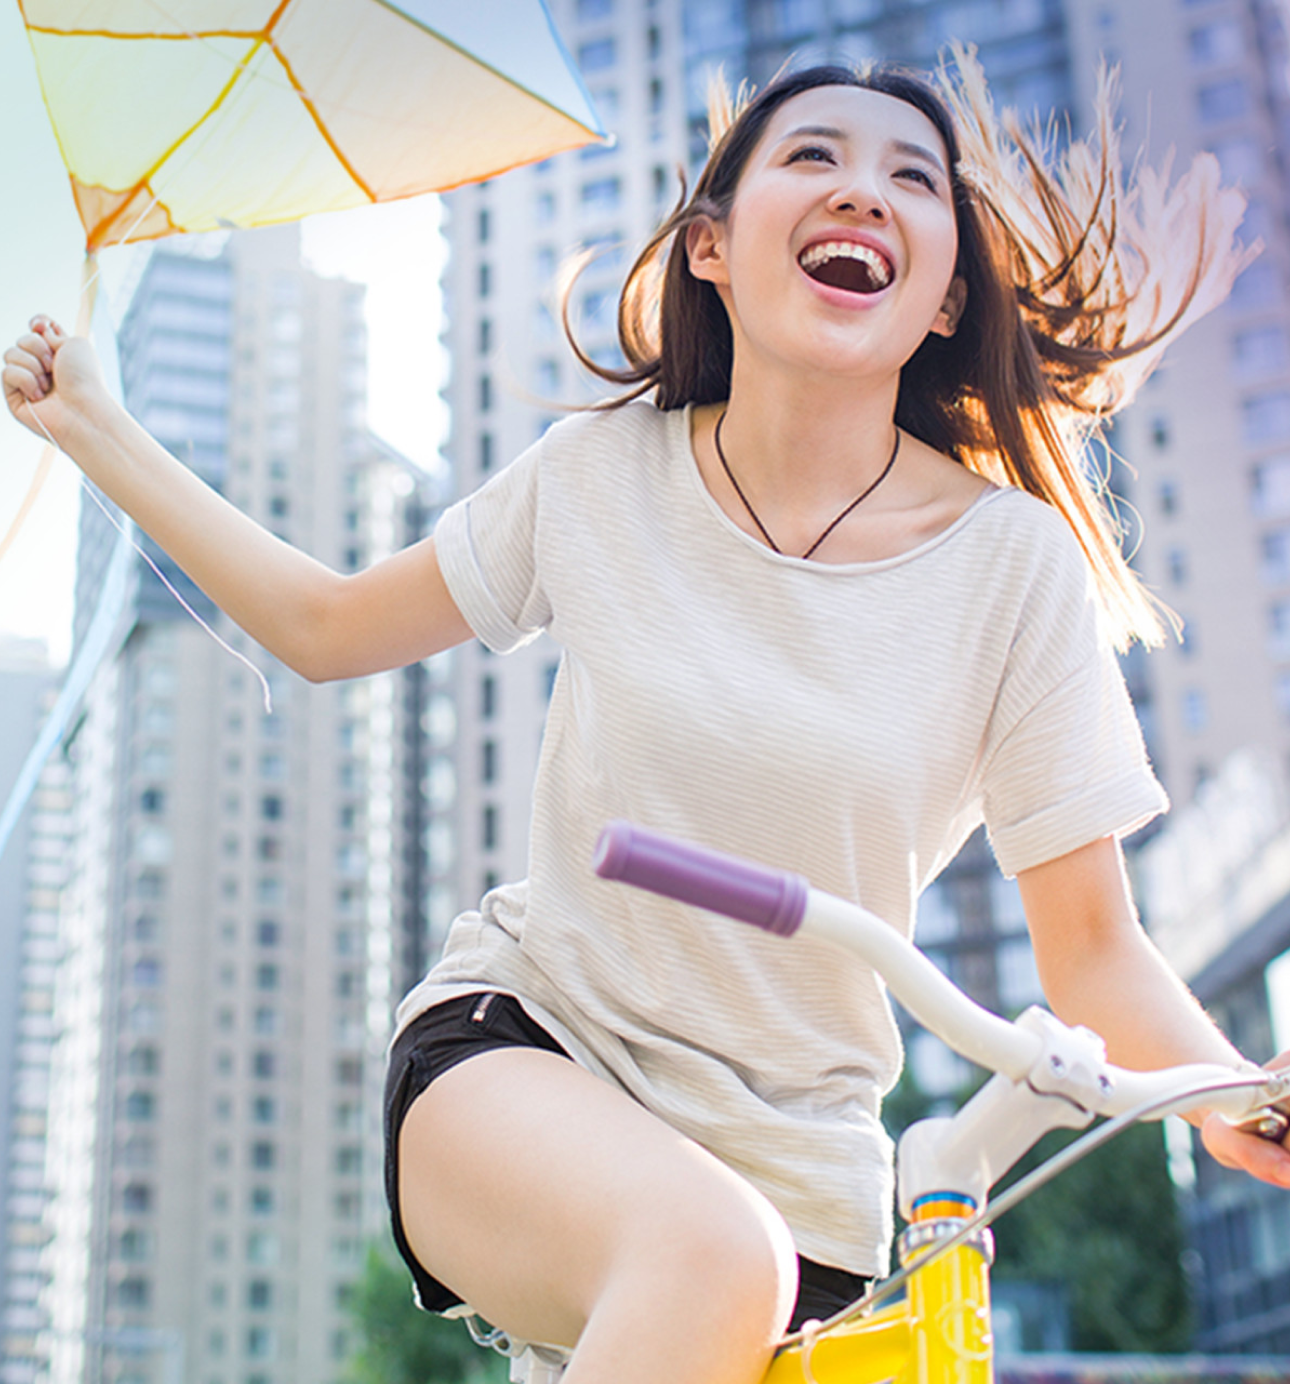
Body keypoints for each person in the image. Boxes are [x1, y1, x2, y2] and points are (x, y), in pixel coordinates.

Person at [6, 55, 1289, 1384]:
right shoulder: (597, 479)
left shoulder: (1011, 568)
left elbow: (1091, 953)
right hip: (525, 1057)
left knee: (731, 1259)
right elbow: (328, 629)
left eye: (911, 178)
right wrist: (94, 425)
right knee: (704, 1255)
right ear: (711, 249)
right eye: (812, 158)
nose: (862, 190)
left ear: (945, 289)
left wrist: (1235, 1098)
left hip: (806, 1205)